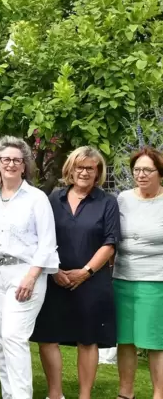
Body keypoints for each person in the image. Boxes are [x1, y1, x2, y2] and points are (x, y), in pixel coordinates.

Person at [0, 136, 59, 399]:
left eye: (16, 160)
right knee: (0, 339)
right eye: (6, 159)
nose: (11, 164)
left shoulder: (36, 198)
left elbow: (47, 242)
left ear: (24, 166)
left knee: (13, 337)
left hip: (25, 274)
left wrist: (32, 276)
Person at [31, 146, 119, 399]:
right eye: (79, 167)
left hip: (92, 281)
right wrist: (54, 269)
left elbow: (110, 242)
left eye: (90, 168)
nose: (84, 172)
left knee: (88, 339)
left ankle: (84, 395)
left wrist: (86, 271)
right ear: (70, 169)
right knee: (48, 337)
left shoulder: (107, 202)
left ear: (98, 172)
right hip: (54, 278)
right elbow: (41, 237)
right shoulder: (53, 199)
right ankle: (55, 394)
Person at [114, 146, 163, 399]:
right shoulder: (123, 198)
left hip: (156, 281)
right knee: (125, 340)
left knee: (156, 342)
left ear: (160, 173)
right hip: (122, 279)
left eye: (147, 170)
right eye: (137, 170)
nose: (141, 175)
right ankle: (126, 393)